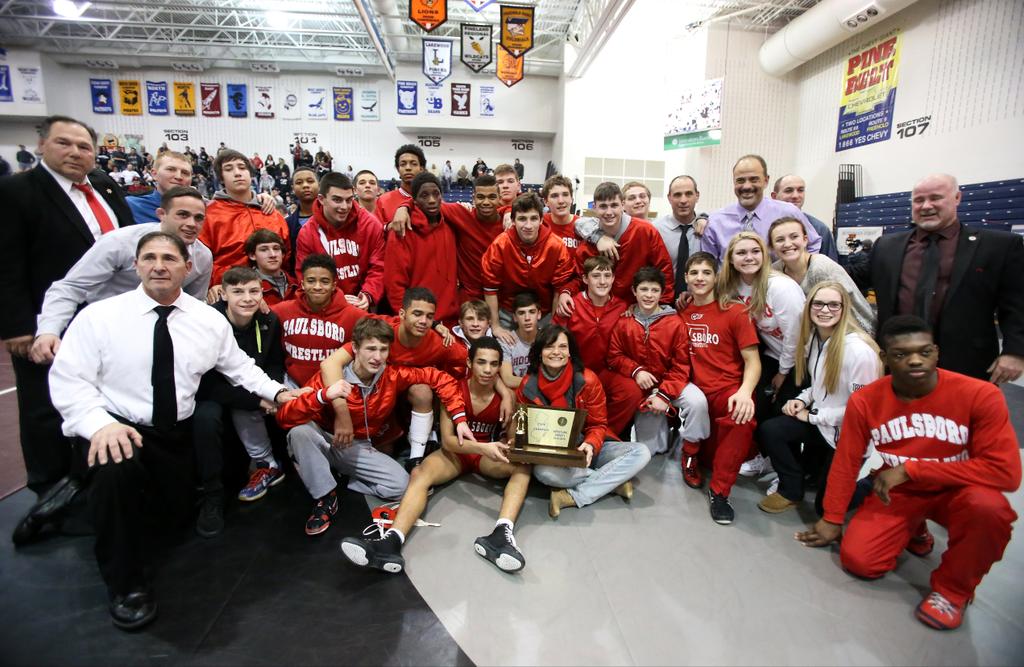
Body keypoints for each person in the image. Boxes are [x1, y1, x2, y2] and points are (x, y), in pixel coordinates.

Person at [48, 231, 302, 630]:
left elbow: (240, 368)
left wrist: (280, 393)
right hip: (118, 427)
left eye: (169, 258)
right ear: (136, 265)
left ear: (188, 266)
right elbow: (68, 380)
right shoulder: (98, 317)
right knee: (117, 479)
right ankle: (126, 585)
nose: (159, 266)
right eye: (149, 258)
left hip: (175, 433)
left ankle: (76, 491)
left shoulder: (207, 320)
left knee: (171, 518)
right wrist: (100, 425)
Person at [796, 315, 1021, 631]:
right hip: (897, 492)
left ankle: (952, 591)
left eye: (924, 351)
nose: (915, 360)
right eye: (901, 354)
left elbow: (1005, 473)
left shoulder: (980, 394)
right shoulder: (866, 400)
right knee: (859, 561)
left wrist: (912, 469)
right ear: (885, 358)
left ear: (936, 352)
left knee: (990, 509)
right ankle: (915, 529)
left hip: (958, 490)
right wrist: (832, 517)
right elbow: (846, 461)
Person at [0, 115, 134, 496]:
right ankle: (49, 487)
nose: (75, 152)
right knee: (45, 403)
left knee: (102, 396)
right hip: (49, 319)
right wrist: (17, 325)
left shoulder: (105, 186)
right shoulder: (16, 192)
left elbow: (129, 245)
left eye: (84, 146)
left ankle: (94, 480)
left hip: (109, 316)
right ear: (41, 145)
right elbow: (5, 262)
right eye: (64, 143)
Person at [339, 337, 531, 574]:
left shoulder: (507, 397)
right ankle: (391, 542)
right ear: (470, 363)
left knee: (523, 465)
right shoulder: (454, 389)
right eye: (481, 362)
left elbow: (511, 440)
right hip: (458, 453)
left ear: (500, 367)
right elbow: (449, 441)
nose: (487, 370)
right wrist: (484, 447)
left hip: (486, 456)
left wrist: (510, 441)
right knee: (420, 473)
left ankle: (502, 533)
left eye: (493, 364)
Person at [276, 317, 474, 535]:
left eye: (383, 350)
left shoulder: (392, 375)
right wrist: (322, 396)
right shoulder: (331, 378)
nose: (377, 357)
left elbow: (439, 377)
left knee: (401, 486)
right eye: (371, 349)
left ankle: (338, 475)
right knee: (299, 432)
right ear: (355, 348)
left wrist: (459, 418)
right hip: (324, 437)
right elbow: (285, 418)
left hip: (354, 446)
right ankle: (325, 497)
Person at [850, 173, 1024, 383]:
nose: (926, 206)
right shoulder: (886, 246)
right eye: (919, 200)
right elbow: (853, 278)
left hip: (966, 366)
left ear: (957, 198)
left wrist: (1015, 351)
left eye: (935, 198)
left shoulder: (998, 246)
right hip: (896, 363)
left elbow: (1017, 304)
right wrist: (813, 261)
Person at [31, 186, 212, 364]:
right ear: (161, 214)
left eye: (198, 218)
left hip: (158, 335)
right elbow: (71, 287)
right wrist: (49, 331)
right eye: (183, 215)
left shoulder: (203, 257)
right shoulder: (119, 242)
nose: (191, 224)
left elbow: (193, 304)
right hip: (104, 331)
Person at [757, 281, 882, 516]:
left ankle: (872, 482)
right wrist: (803, 400)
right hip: (825, 426)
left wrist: (813, 415)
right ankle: (791, 489)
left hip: (848, 438)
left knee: (824, 509)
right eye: (819, 304)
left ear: (844, 309)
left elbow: (861, 411)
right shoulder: (817, 338)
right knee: (771, 430)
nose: (825, 310)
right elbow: (819, 385)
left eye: (834, 305)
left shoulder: (859, 352)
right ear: (809, 307)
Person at [320, 288, 474, 467]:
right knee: (384, 452)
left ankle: (416, 457)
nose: (423, 321)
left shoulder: (441, 342)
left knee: (422, 391)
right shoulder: (382, 331)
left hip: (407, 390)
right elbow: (330, 364)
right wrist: (342, 415)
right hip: (374, 396)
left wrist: (498, 391)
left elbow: (476, 360)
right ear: (402, 314)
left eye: (429, 317)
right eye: (417, 314)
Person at [193, 266, 286, 537]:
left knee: (288, 394)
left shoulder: (269, 319)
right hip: (214, 391)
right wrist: (256, 400)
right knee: (212, 415)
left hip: (256, 384)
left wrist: (271, 393)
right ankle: (217, 490)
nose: (247, 298)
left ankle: (275, 463)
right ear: (223, 294)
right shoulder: (208, 322)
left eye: (254, 291)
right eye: (238, 292)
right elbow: (206, 383)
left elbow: (275, 364)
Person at [525, 326, 652, 518]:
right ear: (539, 352)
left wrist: (591, 444)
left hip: (588, 448)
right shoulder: (527, 385)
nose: (556, 352)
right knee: (543, 473)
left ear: (570, 352)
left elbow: (598, 424)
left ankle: (572, 495)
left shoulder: (588, 379)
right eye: (549, 347)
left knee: (641, 452)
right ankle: (612, 482)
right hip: (554, 455)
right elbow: (526, 428)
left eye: (562, 347)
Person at [677, 252, 761, 523]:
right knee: (708, 458)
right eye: (694, 273)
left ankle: (720, 492)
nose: (700, 278)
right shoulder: (681, 311)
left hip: (727, 390)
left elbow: (753, 361)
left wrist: (745, 392)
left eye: (706, 272)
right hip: (695, 391)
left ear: (716, 277)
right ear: (686, 278)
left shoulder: (736, 312)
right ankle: (690, 452)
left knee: (741, 417)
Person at [608, 267, 693, 456]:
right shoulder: (624, 322)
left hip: (668, 386)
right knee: (651, 450)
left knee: (697, 402)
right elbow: (614, 355)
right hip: (642, 390)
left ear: (662, 293)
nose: (648, 295)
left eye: (655, 290)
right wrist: (636, 370)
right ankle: (664, 424)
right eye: (644, 289)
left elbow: (681, 365)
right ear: (634, 291)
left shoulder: (675, 323)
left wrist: (664, 395)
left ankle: (690, 448)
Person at [551, 255, 634, 437]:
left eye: (607, 276)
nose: (602, 281)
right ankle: (579, 434)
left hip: (607, 371)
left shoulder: (623, 307)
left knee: (631, 391)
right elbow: (553, 338)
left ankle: (605, 435)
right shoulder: (571, 305)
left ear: (613, 278)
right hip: (576, 370)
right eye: (596, 276)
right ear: (585, 279)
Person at [390, 174, 504, 304]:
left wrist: (508, 210)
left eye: (492, 197)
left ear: (500, 198)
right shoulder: (461, 215)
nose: (486, 202)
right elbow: (424, 202)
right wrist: (403, 207)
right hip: (469, 300)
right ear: (473, 198)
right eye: (480, 197)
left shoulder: (509, 225)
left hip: (502, 299)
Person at [481, 192, 576, 337]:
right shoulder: (500, 245)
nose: (528, 225)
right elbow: (489, 287)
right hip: (508, 313)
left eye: (533, 218)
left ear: (541, 219)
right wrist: (495, 326)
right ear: (513, 220)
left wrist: (554, 324)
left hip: (544, 313)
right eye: (522, 219)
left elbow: (559, 288)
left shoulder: (555, 245)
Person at [272, 253, 369, 387]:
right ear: (302, 284)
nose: (317, 287)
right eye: (311, 281)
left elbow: (387, 325)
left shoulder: (353, 315)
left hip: (334, 386)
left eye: (324, 281)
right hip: (292, 386)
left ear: (334, 285)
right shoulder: (282, 311)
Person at [200, 149, 290, 293]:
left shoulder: (271, 213)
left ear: (250, 173)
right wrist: (217, 284)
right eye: (229, 169)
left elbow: (286, 256)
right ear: (221, 178)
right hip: (231, 293)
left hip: (275, 293)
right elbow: (201, 262)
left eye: (242, 167)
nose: (237, 173)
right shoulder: (209, 215)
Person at [701, 154, 820, 261]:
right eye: (740, 180)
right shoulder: (716, 222)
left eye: (754, 179)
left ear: (766, 180)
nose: (747, 186)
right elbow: (708, 266)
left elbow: (813, 244)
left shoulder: (789, 213)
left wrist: (801, 272)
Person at [768, 216, 875, 334]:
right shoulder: (775, 271)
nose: (787, 244)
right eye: (780, 240)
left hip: (848, 332)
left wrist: (862, 338)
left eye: (794, 237)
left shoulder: (821, 268)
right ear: (772, 247)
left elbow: (852, 309)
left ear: (805, 240)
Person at [295, 172, 385, 312]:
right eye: (337, 200)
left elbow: (379, 267)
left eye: (349, 200)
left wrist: (368, 294)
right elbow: (305, 276)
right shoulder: (307, 233)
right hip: (325, 306)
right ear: (321, 199)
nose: (344, 206)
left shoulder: (371, 225)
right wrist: (335, 299)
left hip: (363, 306)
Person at [575, 182, 674, 307]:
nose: (609, 212)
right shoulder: (586, 245)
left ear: (622, 205)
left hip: (639, 308)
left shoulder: (645, 231)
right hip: (602, 310)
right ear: (594, 208)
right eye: (603, 206)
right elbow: (580, 280)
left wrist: (660, 306)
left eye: (614, 205)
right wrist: (566, 293)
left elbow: (664, 269)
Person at [384, 172, 458, 324]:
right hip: (418, 322)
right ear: (415, 201)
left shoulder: (451, 224)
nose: (431, 200)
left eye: (436, 194)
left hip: (450, 320)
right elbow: (394, 286)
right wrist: (409, 319)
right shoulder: (402, 230)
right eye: (424, 195)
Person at [652, 175, 710, 299]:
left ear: (697, 196)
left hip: (700, 299)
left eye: (688, 194)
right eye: (677, 195)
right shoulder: (655, 229)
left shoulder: (709, 227)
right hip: (663, 300)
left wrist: (704, 217)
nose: (683, 200)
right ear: (669, 198)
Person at [771, 174, 839, 261]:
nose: (795, 196)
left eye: (800, 190)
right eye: (788, 191)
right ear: (774, 197)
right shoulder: (762, 225)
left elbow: (830, 266)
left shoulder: (819, 229)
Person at [123, 151, 192, 223]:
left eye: (185, 173)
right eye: (171, 169)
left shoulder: (199, 210)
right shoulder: (130, 205)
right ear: (154, 174)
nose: (179, 176)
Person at [499, 291, 541, 389]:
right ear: (515, 317)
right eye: (521, 313)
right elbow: (508, 379)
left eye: (532, 312)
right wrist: (541, 383)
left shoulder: (547, 339)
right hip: (516, 392)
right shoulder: (506, 341)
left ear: (539, 314)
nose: (527, 318)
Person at [376, 144, 426, 225]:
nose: (408, 168)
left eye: (413, 164)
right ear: (398, 169)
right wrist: (389, 227)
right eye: (403, 164)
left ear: (421, 169)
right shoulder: (383, 201)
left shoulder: (432, 200)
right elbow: (376, 230)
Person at [245, 229, 296, 306]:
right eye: (264, 250)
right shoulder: (245, 286)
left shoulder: (296, 285)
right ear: (252, 255)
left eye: (276, 249)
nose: (272, 255)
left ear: (283, 254)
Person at [541, 175, 586, 249]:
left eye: (565, 195)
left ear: (571, 199)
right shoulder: (540, 223)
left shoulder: (584, 226)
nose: (561, 201)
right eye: (554, 196)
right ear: (546, 201)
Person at [284, 166, 318, 256]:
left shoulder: (332, 218)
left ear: (319, 185)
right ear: (293, 188)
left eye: (310, 181)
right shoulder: (287, 224)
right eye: (299, 182)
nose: (305, 185)